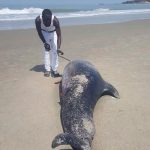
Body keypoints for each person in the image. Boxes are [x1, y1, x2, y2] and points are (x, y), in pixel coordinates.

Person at [35, 9, 62, 77]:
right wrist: (45, 43)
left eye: (48, 20)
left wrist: (58, 48)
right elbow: (39, 32)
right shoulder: (38, 20)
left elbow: (59, 35)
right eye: (45, 20)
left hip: (53, 33)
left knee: (55, 51)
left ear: (51, 18)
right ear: (42, 18)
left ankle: (54, 69)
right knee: (46, 51)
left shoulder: (55, 20)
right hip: (44, 33)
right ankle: (47, 70)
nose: (47, 22)